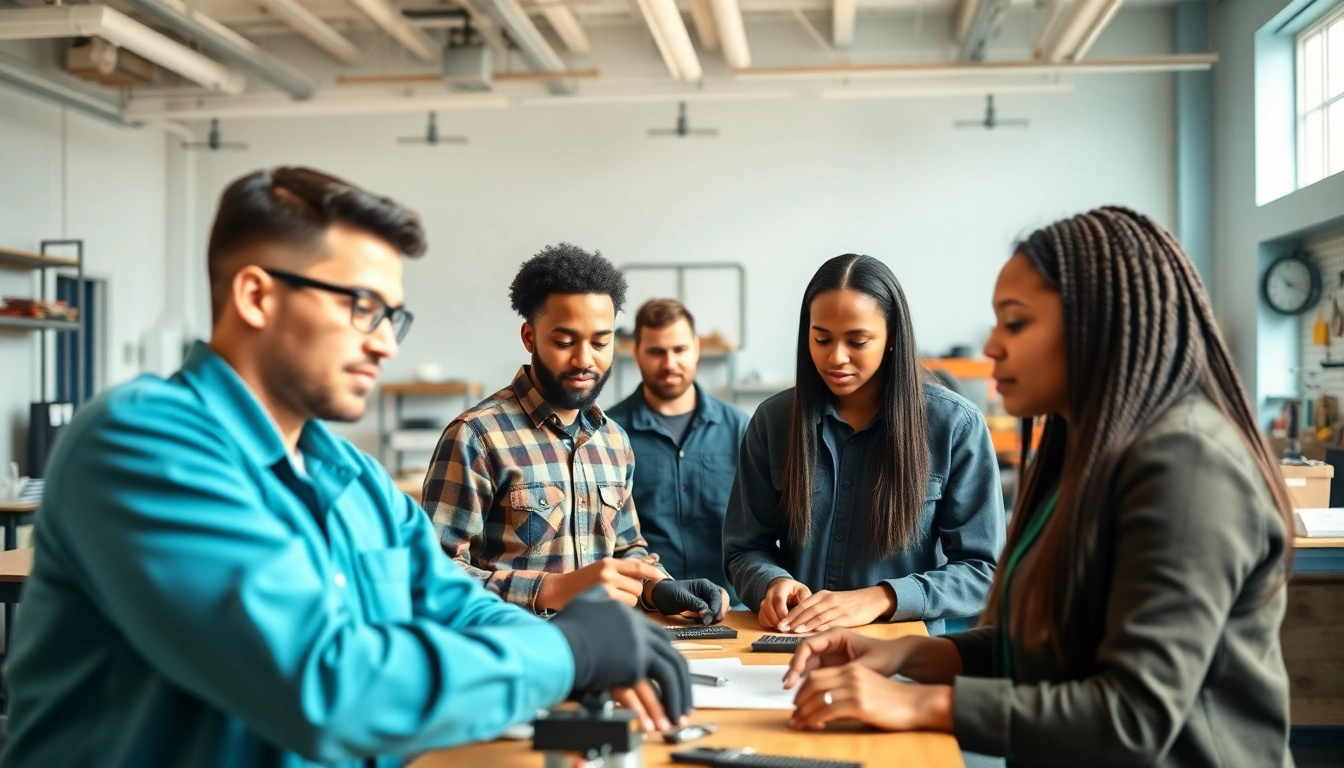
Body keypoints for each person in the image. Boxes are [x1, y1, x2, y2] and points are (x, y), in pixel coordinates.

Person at [2, 168, 691, 768]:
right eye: (362, 308)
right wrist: (566, 653)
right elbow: (322, 688)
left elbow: (454, 604)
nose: (386, 344)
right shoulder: (144, 446)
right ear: (256, 296)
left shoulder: (355, 481)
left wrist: (586, 636)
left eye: (394, 315)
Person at [782, 208, 1295, 768]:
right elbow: (1053, 649)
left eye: (1016, 323)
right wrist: (912, 653)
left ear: (1099, 323)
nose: (994, 346)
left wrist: (918, 701)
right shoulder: (1084, 448)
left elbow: (1132, 716)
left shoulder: (1188, 463)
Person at [424, 244, 726, 622]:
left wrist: (657, 587)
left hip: (603, 648)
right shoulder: (476, 437)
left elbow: (626, 549)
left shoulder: (613, 440)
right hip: (515, 654)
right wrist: (551, 590)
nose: (585, 360)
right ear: (530, 337)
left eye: (601, 342)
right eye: (565, 342)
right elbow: (431, 580)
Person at [723, 254, 1004, 636]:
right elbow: (743, 548)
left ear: (892, 338)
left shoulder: (955, 425)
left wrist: (882, 597)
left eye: (857, 341)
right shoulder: (773, 422)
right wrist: (770, 582)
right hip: (792, 647)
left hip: (901, 657)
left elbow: (982, 571)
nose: (835, 357)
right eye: (821, 338)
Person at [606, 298, 749, 604]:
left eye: (679, 350)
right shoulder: (608, 433)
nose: (669, 363)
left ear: (696, 348)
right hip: (647, 607)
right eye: (657, 351)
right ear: (637, 352)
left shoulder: (738, 428)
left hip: (734, 606)